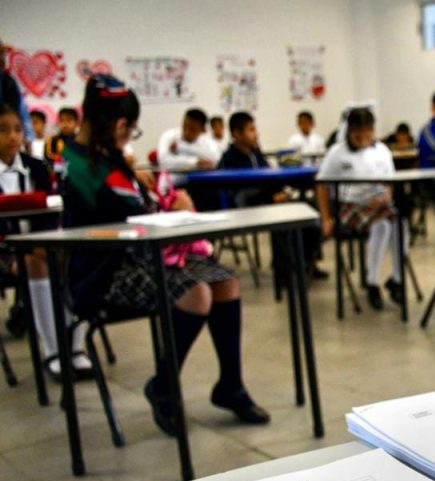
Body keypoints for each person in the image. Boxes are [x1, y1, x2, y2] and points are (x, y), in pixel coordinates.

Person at [61, 75, 269, 434]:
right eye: (131, 130)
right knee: (197, 292)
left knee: (226, 282)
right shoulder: (79, 165)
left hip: (139, 258)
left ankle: (230, 386)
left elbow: (137, 210)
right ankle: (164, 385)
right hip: (104, 274)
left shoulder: (105, 158)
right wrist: (171, 208)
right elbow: (133, 218)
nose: (130, 138)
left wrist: (157, 197)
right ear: (120, 125)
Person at [0, 102, 92, 379]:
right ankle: (53, 351)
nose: (13, 136)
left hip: (40, 240)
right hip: (6, 249)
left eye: (17, 129)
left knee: (75, 258)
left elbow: (52, 209)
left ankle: (75, 347)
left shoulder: (37, 167)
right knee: (36, 265)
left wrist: (44, 240)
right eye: (3, 130)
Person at [316, 106, 405, 310]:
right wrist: (326, 218)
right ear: (349, 131)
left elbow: (389, 183)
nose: (363, 138)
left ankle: (397, 279)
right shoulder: (337, 153)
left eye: (368, 132)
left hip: (378, 203)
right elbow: (321, 186)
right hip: (350, 205)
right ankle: (373, 282)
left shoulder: (382, 150)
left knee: (402, 224)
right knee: (383, 226)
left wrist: (385, 196)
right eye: (358, 134)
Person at [219, 111, 325, 281]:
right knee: (283, 217)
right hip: (248, 208)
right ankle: (285, 267)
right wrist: (271, 198)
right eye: (251, 130)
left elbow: (270, 176)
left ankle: (309, 263)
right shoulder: (228, 159)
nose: (256, 134)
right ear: (236, 134)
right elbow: (238, 194)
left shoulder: (255, 154)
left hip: (267, 201)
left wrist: (279, 193)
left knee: (311, 210)